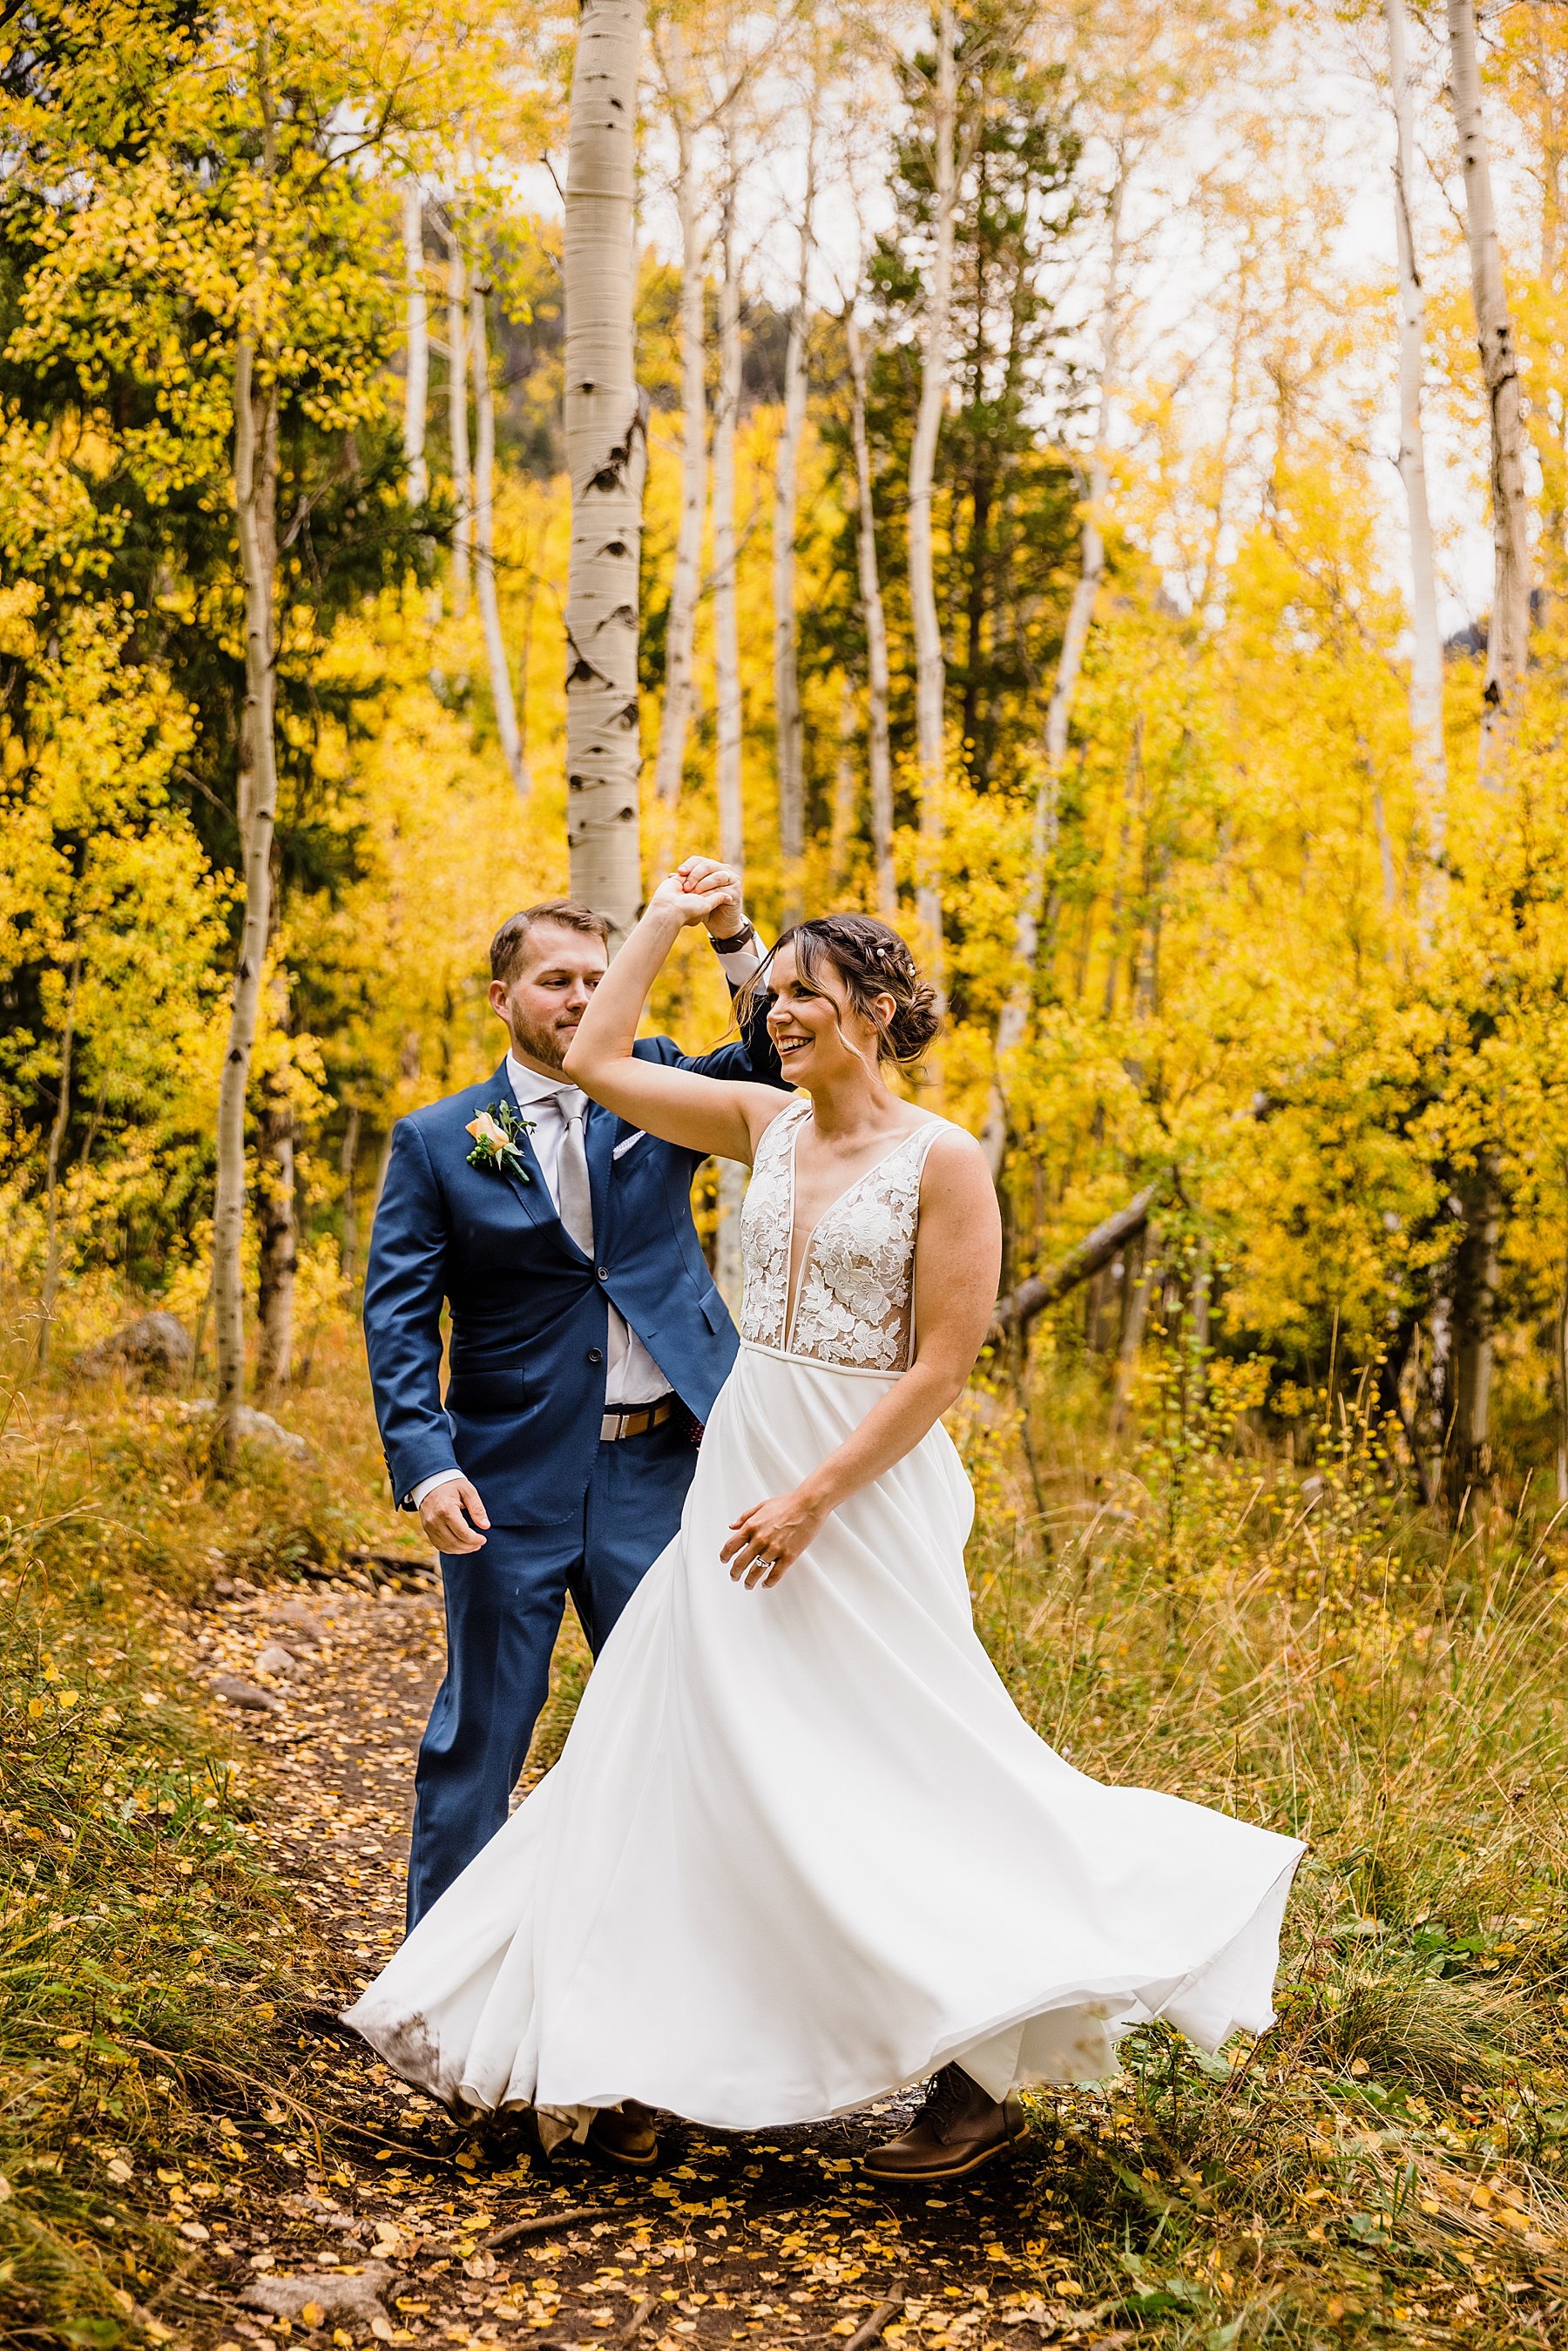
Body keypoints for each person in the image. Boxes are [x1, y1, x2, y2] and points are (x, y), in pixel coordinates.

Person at [347, 880, 1302, 2185]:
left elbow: (939, 1369)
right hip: (738, 1474)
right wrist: (669, 925)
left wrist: (812, 1499)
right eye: (775, 991)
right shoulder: (764, 1125)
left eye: (800, 993)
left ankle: (978, 2067)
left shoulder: (945, 1158)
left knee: (905, 1758)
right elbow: (601, 1056)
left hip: (860, 1490)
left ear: (880, 1012)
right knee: (685, 1756)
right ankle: (631, 2057)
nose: (772, 1013)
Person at [361, 865, 784, 2139]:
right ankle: (449, 2035)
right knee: (480, 1738)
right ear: (504, 997)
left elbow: (776, 1048)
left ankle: (649, 2042)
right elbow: (397, 1315)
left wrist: (726, 927)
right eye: (557, 980)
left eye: (597, 981)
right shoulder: (440, 1140)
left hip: (665, 1467)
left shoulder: (654, 1081)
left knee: (672, 1743)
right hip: (507, 1481)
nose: (580, 1000)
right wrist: (427, 1461)